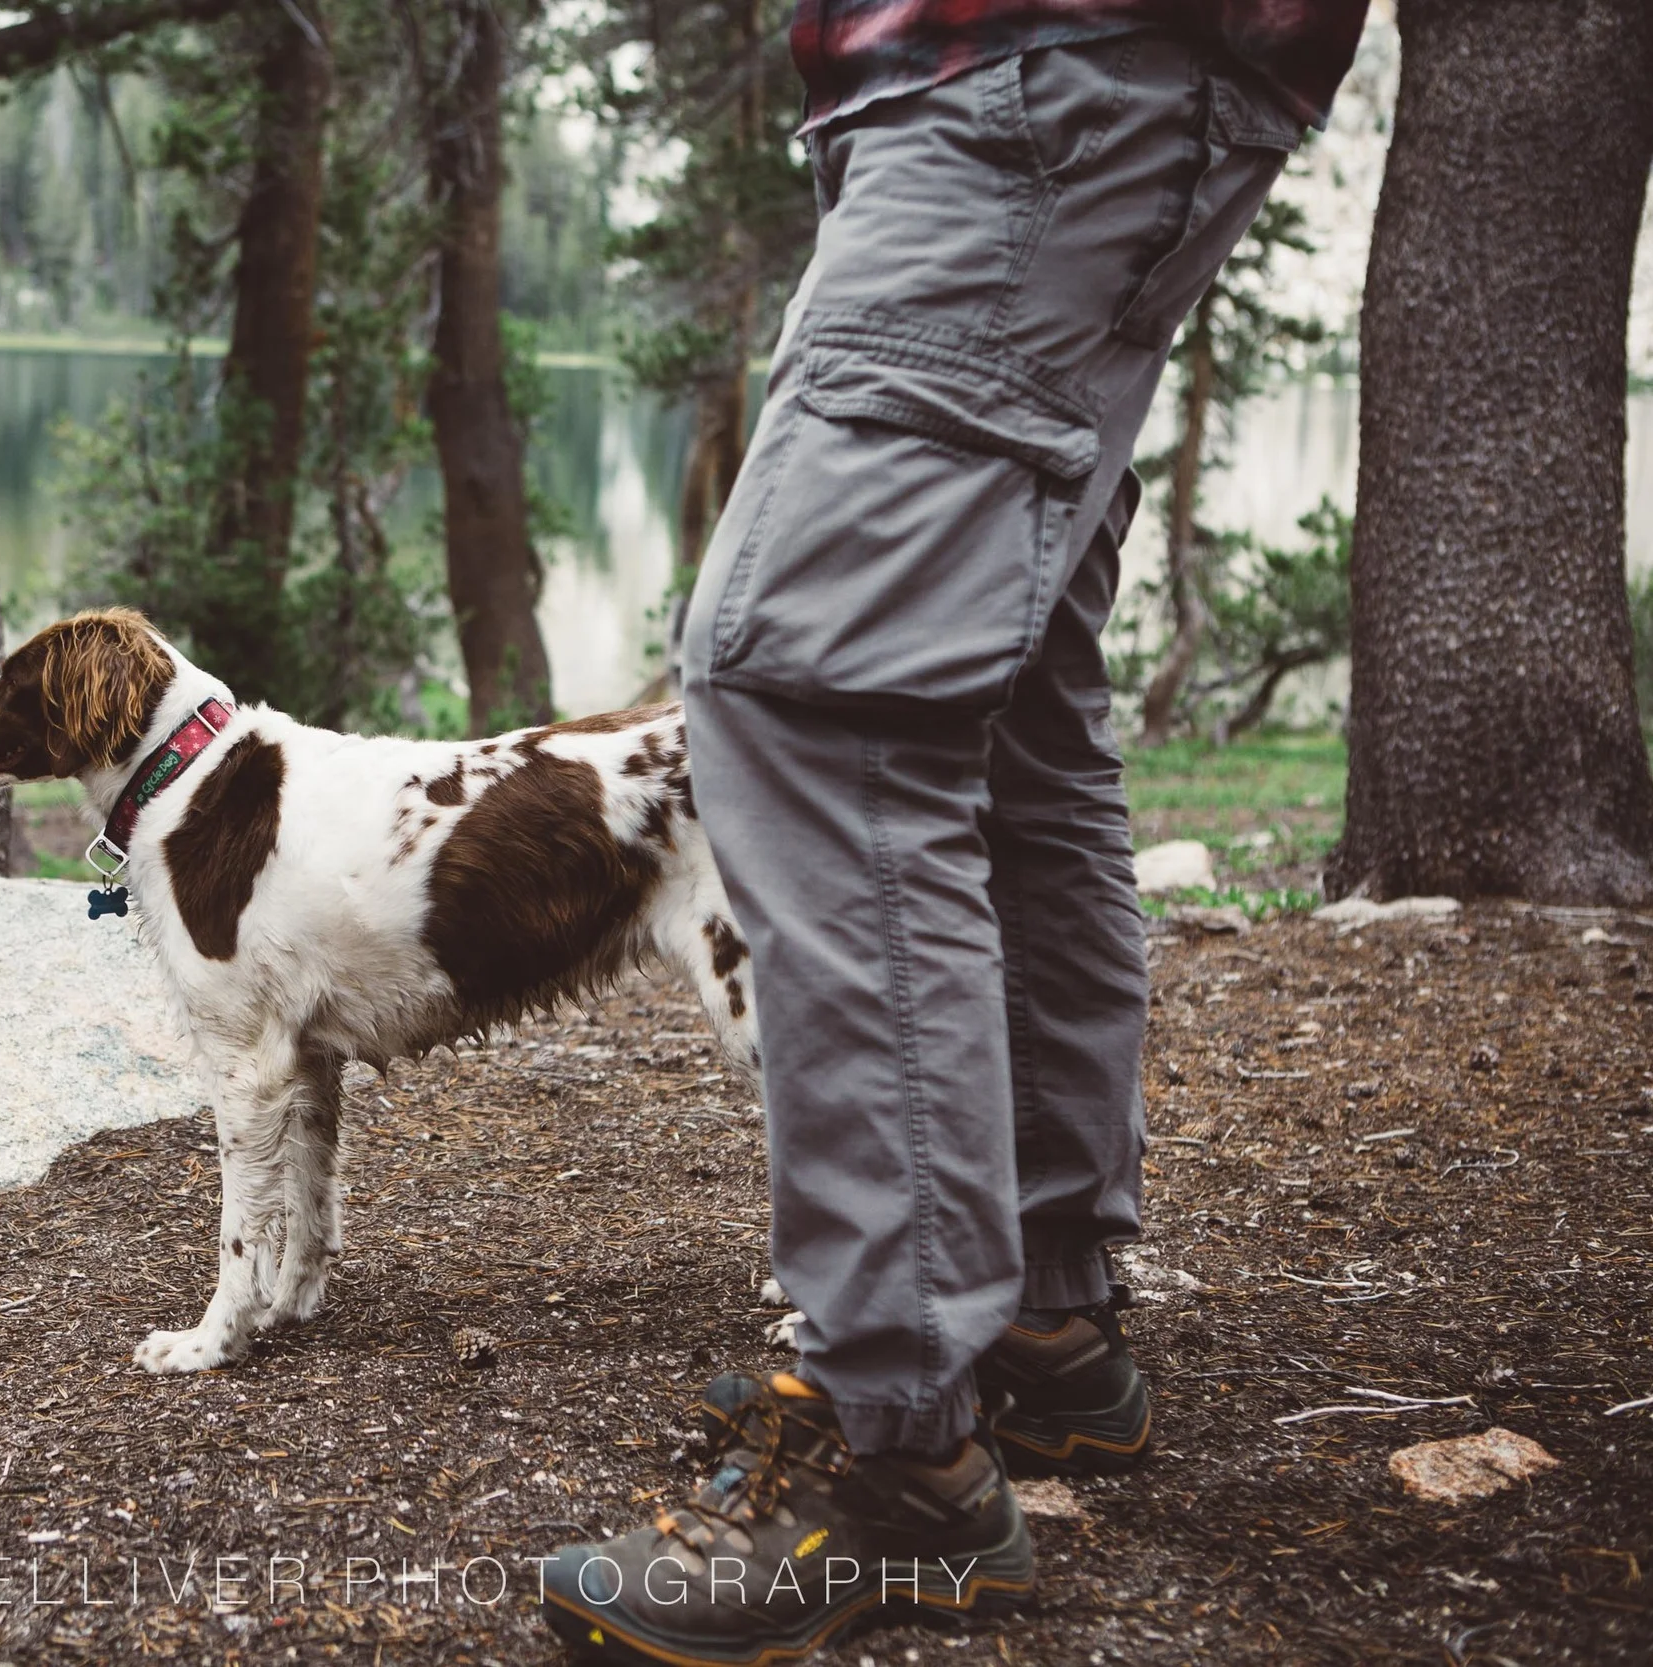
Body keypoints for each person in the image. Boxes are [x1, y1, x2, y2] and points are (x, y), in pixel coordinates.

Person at [542, 4, 1373, 1661]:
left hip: (1035, 84)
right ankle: (1043, 1325)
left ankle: (900, 1449)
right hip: (1072, 88)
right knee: (1001, 711)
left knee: (808, 689)